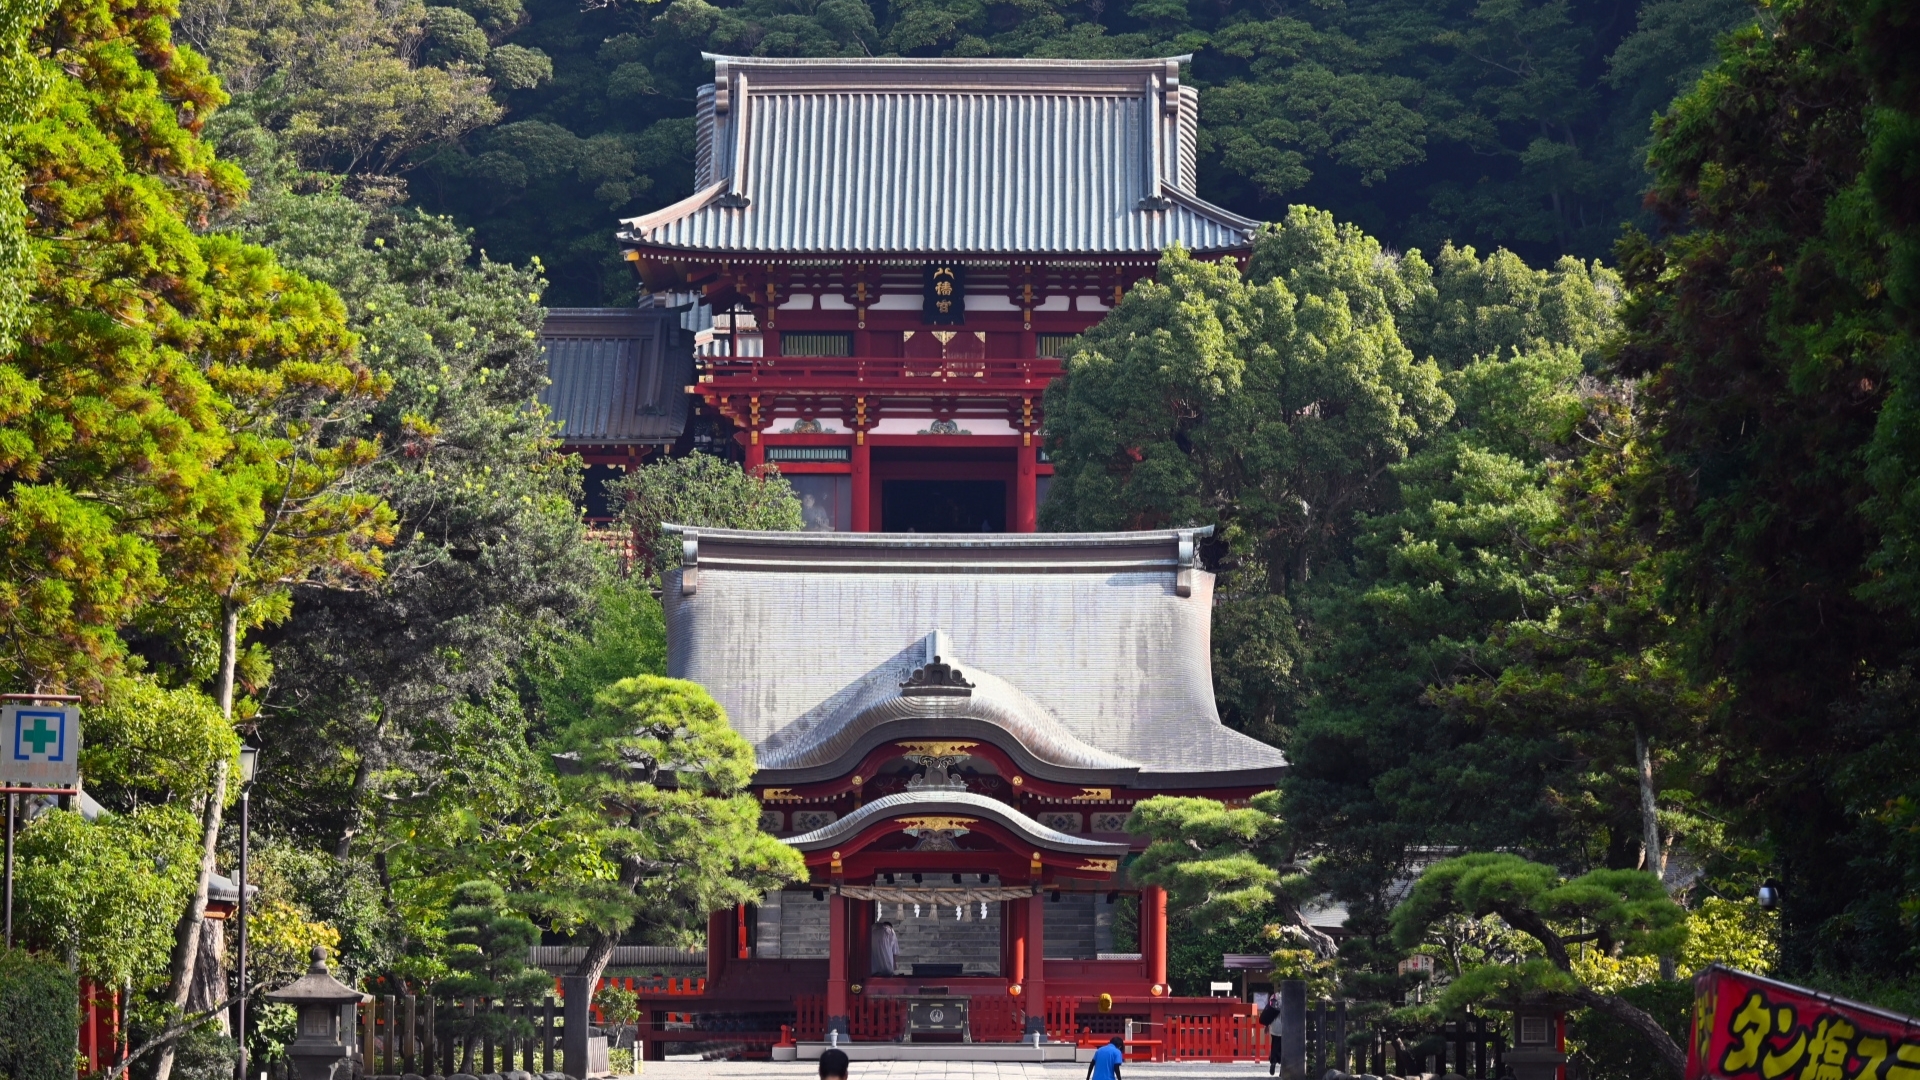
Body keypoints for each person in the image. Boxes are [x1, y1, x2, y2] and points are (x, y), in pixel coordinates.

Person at [1258, 996, 1284, 1075]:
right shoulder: (1289, 998)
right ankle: (1282, 1069)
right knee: (1284, 1048)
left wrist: (1266, 1025)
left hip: (1274, 1026)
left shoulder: (1275, 997)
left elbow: (1269, 1012)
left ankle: (1273, 1061)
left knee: (1274, 1045)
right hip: (1284, 1026)